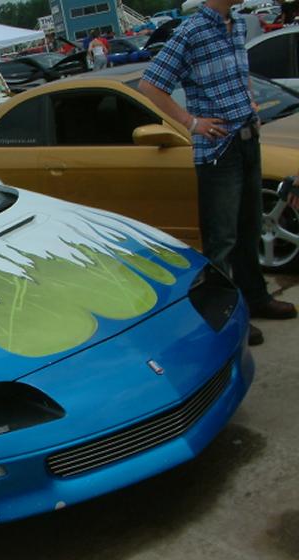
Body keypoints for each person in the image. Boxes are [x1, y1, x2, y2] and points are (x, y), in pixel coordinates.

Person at [139, 0, 297, 348]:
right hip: (218, 151)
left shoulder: (237, 25)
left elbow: (240, 73)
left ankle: (256, 298)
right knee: (222, 240)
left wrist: (250, 103)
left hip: (247, 141)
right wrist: (191, 123)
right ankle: (229, 317)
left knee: (249, 229)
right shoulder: (192, 31)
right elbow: (150, 85)